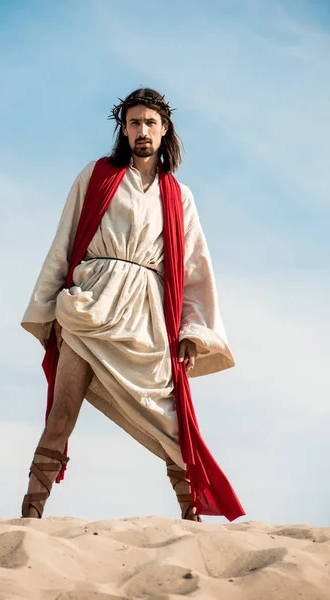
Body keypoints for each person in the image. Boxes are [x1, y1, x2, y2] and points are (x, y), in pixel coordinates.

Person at [20, 88, 245, 522]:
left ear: (164, 130)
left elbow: (196, 269)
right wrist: (50, 308)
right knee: (61, 416)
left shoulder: (179, 196)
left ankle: (192, 518)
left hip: (146, 320)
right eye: (134, 122)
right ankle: (30, 516)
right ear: (124, 129)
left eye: (150, 123)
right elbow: (64, 244)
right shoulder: (97, 175)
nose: (142, 131)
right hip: (88, 308)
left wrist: (191, 332)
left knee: (172, 426)